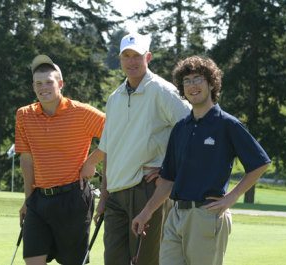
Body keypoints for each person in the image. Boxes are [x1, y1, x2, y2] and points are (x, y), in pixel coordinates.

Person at [132, 55, 271, 265]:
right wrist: (146, 213)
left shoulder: (227, 124)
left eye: (198, 78)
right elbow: (168, 180)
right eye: (186, 81)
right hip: (176, 215)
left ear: (211, 83)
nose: (192, 85)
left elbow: (260, 163)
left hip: (207, 215)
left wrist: (231, 198)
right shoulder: (180, 128)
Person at [94, 32, 191, 265]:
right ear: (120, 60)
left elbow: (193, 126)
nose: (131, 61)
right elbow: (109, 149)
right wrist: (104, 194)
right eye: (126, 56)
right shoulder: (114, 97)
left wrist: (171, 169)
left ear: (148, 57)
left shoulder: (162, 90)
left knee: (146, 261)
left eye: (136, 55)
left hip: (147, 191)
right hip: (116, 195)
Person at [15, 54, 105, 265]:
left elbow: (117, 133)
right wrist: (28, 200)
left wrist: (92, 161)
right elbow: (26, 160)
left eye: (49, 82)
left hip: (73, 198)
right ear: (33, 86)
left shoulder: (81, 112)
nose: (43, 87)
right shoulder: (24, 115)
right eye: (38, 83)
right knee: (33, 260)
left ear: (61, 84)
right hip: (38, 200)